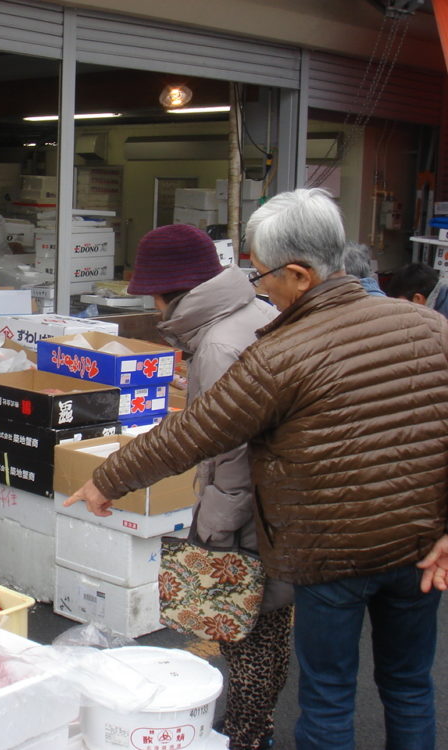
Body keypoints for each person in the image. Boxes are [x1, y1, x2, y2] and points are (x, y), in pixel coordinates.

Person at [65, 188, 448, 750]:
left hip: (329, 553)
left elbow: (197, 431)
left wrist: (106, 479)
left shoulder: (286, 350)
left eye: (263, 275)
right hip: (419, 547)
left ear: (298, 275)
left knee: (330, 696)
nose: (260, 288)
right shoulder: (429, 327)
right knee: (410, 684)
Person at [125, 224, 292, 750]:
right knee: (271, 618)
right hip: (284, 499)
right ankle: (251, 726)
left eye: (151, 293)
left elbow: (232, 450)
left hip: (250, 507)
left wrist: (214, 527)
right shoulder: (255, 312)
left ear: (170, 290)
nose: (150, 304)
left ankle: (245, 734)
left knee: (246, 626)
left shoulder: (218, 342)